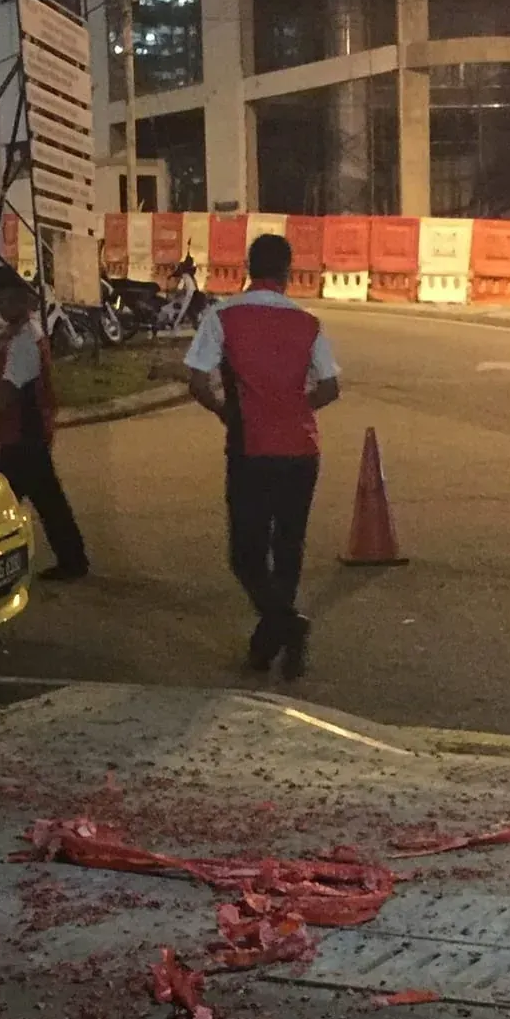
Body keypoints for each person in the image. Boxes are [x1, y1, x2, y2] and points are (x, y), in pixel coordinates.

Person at [185, 230, 340, 681]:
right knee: (287, 549)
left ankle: (286, 629)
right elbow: (330, 388)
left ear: (249, 269)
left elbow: (196, 380)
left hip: (251, 449)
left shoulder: (223, 316)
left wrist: (223, 411)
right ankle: (277, 644)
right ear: (288, 273)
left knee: (246, 556)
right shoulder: (308, 322)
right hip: (301, 451)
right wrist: (292, 407)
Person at [0, 273, 89, 581]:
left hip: (23, 433)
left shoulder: (25, 339)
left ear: (24, 303)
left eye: (8, 300)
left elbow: (10, 388)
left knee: (4, 503)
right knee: (47, 500)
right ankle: (72, 559)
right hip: (27, 431)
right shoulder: (23, 333)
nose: (1, 306)